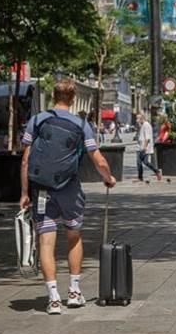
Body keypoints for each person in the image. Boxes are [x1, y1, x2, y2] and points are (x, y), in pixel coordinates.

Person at [20, 78, 118, 315]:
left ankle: (53, 298)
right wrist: (109, 177)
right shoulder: (81, 124)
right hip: (69, 189)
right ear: (73, 99)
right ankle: (74, 291)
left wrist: (24, 193)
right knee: (74, 236)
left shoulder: (37, 120)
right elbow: (98, 159)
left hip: (41, 188)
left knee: (46, 241)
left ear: (53, 96)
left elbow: (24, 160)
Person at [135, 112, 161, 182]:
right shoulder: (142, 125)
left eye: (138, 118)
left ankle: (156, 172)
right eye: (136, 118)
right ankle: (141, 177)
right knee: (141, 162)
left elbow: (148, 138)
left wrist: (145, 147)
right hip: (140, 147)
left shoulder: (146, 125)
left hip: (143, 147)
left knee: (143, 162)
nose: (136, 120)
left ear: (142, 118)